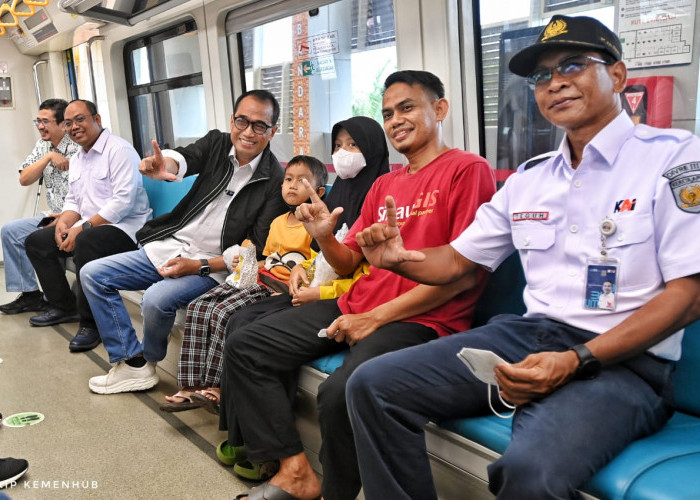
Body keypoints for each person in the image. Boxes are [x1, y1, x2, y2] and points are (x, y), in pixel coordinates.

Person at [346, 15, 700, 500]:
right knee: (372, 385)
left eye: (573, 65)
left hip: (625, 362)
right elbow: (454, 263)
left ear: (617, 76)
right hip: (529, 335)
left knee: (531, 471)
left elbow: (689, 296)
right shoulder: (531, 180)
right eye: (540, 76)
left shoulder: (674, 159)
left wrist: (576, 360)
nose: (555, 83)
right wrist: (398, 258)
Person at [221, 70, 496, 500]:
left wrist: (374, 318)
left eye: (407, 108)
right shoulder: (385, 184)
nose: (395, 120)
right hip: (357, 303)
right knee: (245, 345)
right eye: (388, 113)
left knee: (340, 392)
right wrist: (324, 236)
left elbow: (464, 275)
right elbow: (348, 263)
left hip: (421, 318)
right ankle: (295, 470)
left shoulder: (467, 171)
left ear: (439, 109)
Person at [81, 89, 287, 395]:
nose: (247, 132)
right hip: (169, 245)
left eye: (259, 126)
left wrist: (198, 266)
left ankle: (148, 363)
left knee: (156, 299)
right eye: (242, 121)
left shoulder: (275, 181)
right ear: (232, 120)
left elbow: (253, 248)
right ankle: (130, 361)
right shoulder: (218, 143)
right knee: (92, 274)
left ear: (272, 131)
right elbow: (186, 158)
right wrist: (168, 166)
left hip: (214, 266)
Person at [219, 115, 390, 366]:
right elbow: (320, 255)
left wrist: (319, 292)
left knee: (252, 332)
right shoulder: (340, 191)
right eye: (338, 145)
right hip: (314, 285)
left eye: (353, 145)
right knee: (239, 319)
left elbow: (361, 272)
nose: (343, 152)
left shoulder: (381, 198)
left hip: (339, 297)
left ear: (372, 149)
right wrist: (302, 267)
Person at [161, 155, 327, 413]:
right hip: (259, 278)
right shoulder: (277, 222)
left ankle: (216, 387)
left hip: (276, 291)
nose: (292, 185)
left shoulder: (315, 226)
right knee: (197, 306)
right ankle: (192, 386)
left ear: (318, 192)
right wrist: (246, 263)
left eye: (302, 180)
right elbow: (270, 260)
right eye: (288, 179)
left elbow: (314, 267)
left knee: (222, 312)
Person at [24, 99, 152, 354]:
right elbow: (74, 200)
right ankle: (63, 306)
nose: (74, 127)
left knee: (86, 243)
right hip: (91, 226)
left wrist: (81, 229)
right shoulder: (79, 157)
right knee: (37, 241)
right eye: (69, 123)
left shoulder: (119, 150)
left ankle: (90, 324)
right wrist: (63, 224)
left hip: (126, 229)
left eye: (80, 119)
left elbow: (122, 204)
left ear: (97, 120)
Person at [0, 99, 79, 315]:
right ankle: (30, 295)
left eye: (45, 122)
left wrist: (64, 217)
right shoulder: (43, 145)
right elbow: (24, 179)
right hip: (51, 213)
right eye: (38, 121)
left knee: (40, 240)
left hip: (74, 215)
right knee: (10, 231)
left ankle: (60, 300)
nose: (40, 126)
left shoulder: (78, 147)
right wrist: (48, 157)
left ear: (63, 124)